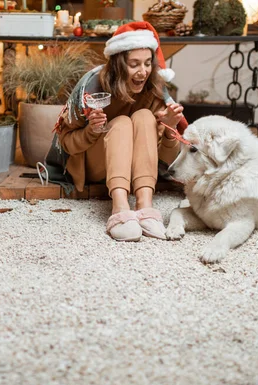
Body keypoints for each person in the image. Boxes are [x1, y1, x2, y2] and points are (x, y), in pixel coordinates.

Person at [52, 21, 188, 242]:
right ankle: (120, 207)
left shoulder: (154, 91)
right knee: (122, 122)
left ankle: (145, 207)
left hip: (137, 169)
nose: (142, 72)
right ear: (117, 64)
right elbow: (66, 142)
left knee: (144, 116)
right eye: (134, 64)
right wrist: (92, 131)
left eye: (147, 63)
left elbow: (166, 159)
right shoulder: (93, 89)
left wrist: (170, 128)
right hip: (98, 165)